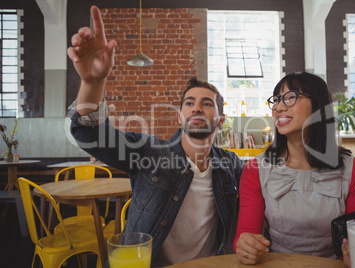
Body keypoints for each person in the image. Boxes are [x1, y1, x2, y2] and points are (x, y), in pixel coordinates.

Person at [66, 5, 243, 267]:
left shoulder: (231, 166)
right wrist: (93, 83)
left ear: (220, 119)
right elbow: (90, 134)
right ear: (179, 117)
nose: (196, 107)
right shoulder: (149, 151)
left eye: (207, 104)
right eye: (189, 103)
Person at [233, 72, 355, 267]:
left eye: (291, 97)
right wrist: (247, 246)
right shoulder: (256, 169)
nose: (278, 107)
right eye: (276, 99)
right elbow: (248, 239)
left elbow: (354, 247)